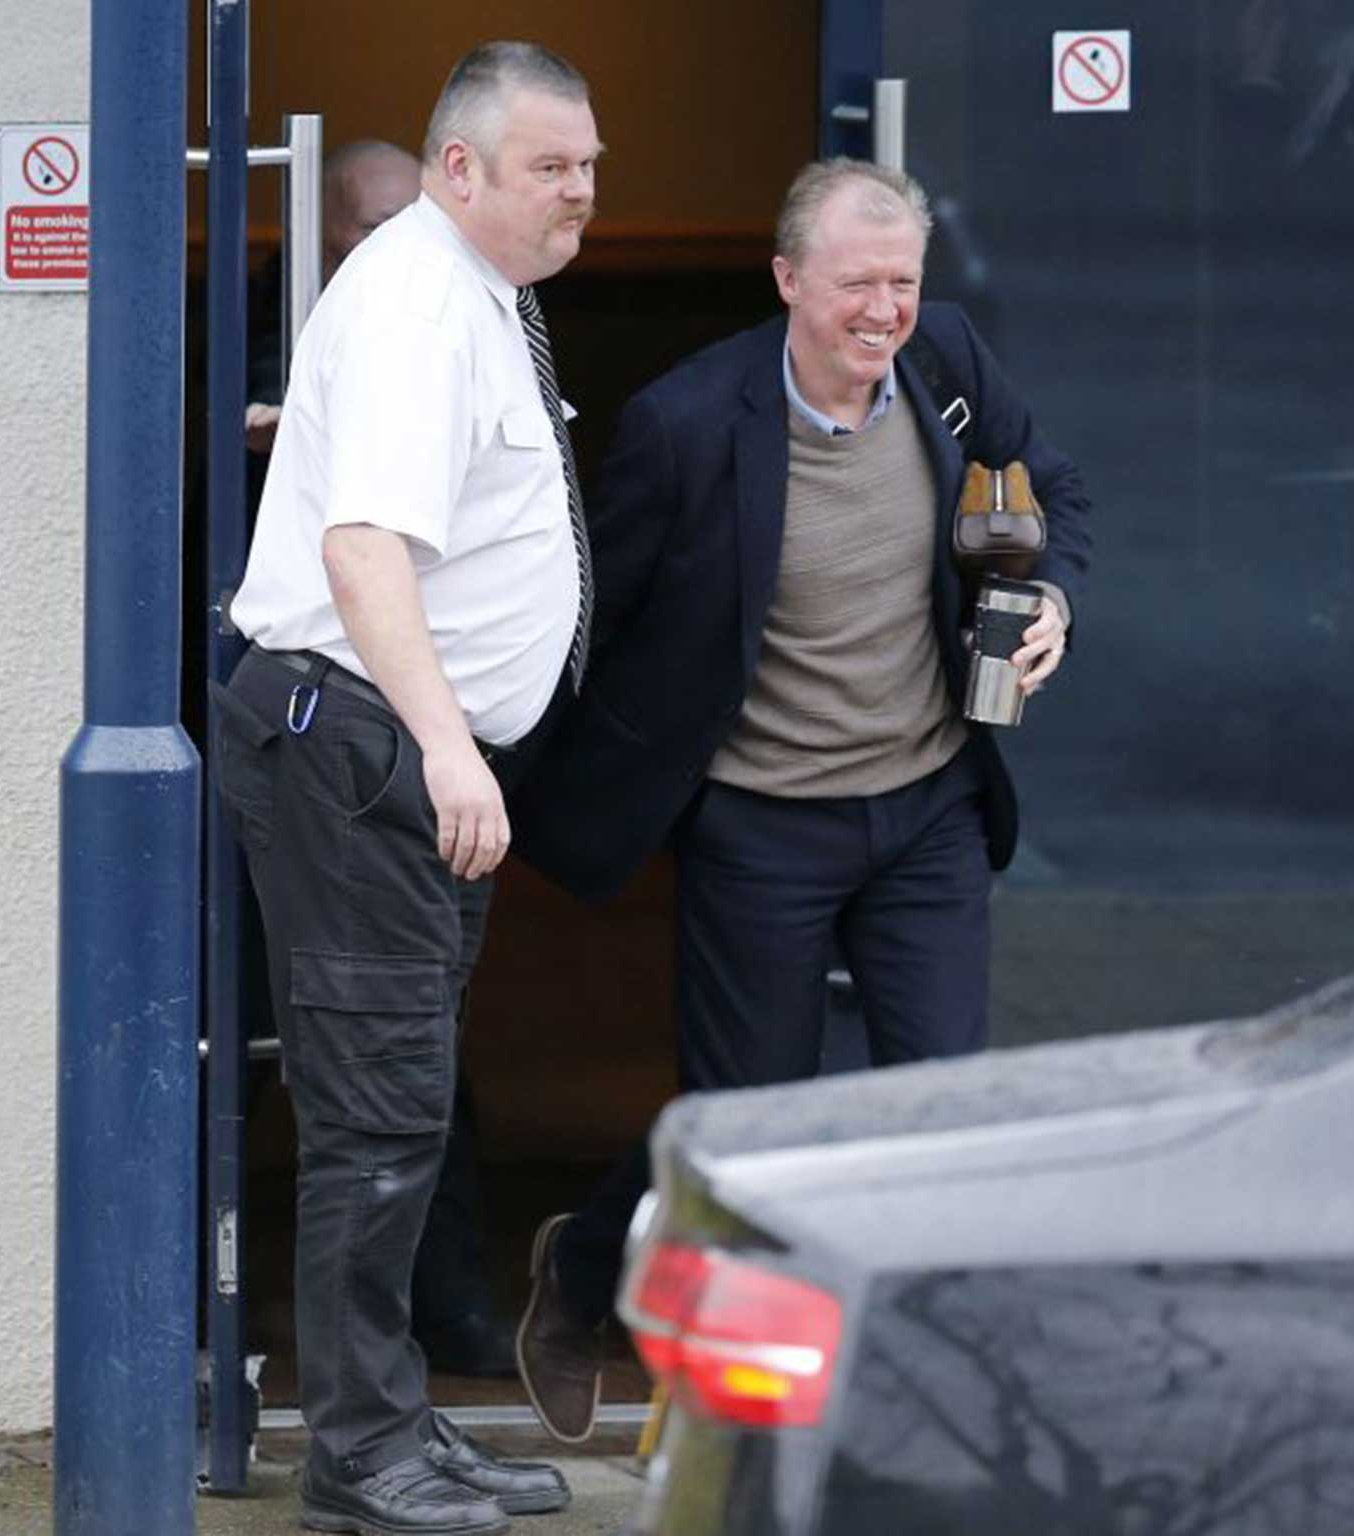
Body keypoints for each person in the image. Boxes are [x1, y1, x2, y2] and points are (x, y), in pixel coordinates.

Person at [510, 157, 1093, 1443]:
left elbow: (1055, 496)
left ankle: (922, 1398)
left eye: (901, 281)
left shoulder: (947, 365)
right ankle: (589, 1278)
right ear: (787, 282)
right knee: (748, 1130)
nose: (882, 310)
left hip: (928, 804)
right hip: (760, 821)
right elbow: (594, 621)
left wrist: (1049, 601)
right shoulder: (686, 424)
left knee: (936, 1104)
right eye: (854, 284)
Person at [211, 40, 599, 1534]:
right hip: (362, 743)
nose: (581, 194)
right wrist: (449, 747)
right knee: (377, 1118)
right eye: (551, 168)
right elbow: (361, 552)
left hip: (393, 743)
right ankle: (360, 1463)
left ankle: (396, 1430)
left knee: (404, 1104)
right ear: (460, 169)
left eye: (589, 167)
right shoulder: (415, 305)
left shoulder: (480, 296)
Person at [244, 140, 424, 454]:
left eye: (419, 223)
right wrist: (275, 409)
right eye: (377, 228)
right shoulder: (278, 297)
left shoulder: (448, 288)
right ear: (320, 225)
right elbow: (271, 357)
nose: (404, 243)